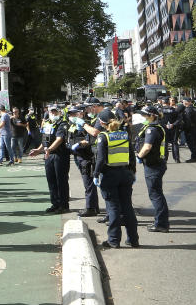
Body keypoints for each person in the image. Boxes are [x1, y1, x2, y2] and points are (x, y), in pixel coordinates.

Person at [94, 110, 139, 249]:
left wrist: (95, 174)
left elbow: (101, 159)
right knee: (127, 207)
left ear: (102, 123)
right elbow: (131, 155)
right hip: (125, 173)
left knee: (113, 207)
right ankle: (133, 240)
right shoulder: (125, 134)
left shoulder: (103, 136)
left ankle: (113, 240)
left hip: (110, 175)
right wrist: (133, 171)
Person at [27, 105, 71, 214]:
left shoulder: (63, 124)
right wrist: (38, 150)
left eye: (55, 112)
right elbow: (45, 141)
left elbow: (59, 139)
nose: (53, 114)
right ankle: (55, 203)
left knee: (61, 180)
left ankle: (63, 205)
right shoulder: (47, 123)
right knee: (51, 180)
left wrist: (49, 149)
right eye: (52, 112)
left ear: (60, 113)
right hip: (49, 155)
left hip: (59, 155)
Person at [135, 105, 170, 233]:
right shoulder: (156, 127)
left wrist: (139, 156)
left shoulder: (152, 130)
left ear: (152, 116)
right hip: (157, 163)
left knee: (155, 195)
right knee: (157, 193)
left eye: (145, 115)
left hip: (153, 165)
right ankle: (161, 221)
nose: (143, 117)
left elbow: (147, 147)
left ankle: (161, 223)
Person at [67, 107, 99, 218]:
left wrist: (80, 144)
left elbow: (90, 139)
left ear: (81, 113)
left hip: (86, 156)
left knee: (88, 183)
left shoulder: (87, 125)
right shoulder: (72, 125)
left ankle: (90, 208)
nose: (72, 116)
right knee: (88, 182)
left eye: (74, 114)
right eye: (70, 114)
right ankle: (94, 206)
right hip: (78, 156)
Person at [180, 98, 196, 162]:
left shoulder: (188, 109)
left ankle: (194, 157)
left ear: (186, 102)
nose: (183, 103)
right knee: (195, 143)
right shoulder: (195, 108)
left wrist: (184, 128)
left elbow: (187, 121)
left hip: (190, 129)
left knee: (191, 144)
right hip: (195, 128)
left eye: (183, 102)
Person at [161, 97, 182, 163]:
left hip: (164, 128)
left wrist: (164, 125)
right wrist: (173, 124)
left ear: (163, 102)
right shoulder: (174, 110)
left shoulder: (160, 110)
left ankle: (164, 159)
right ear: (169, 102)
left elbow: (158, 120)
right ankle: (177, 158)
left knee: (165, 144)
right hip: (173, 128)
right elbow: (179, 119)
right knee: (174, 143)